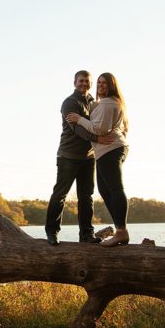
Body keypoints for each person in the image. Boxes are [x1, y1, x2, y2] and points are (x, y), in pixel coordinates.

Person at [44, 70, 108, 245]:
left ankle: (86, 235)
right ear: (74, 82)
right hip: (68, 156)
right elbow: (78, 129)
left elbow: (98, 125)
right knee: (60, 194)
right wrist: (96, 138)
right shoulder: (69, 103)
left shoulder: (93, 103)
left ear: (91, 83)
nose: (84, 84)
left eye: (87, 81)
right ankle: (52, 232)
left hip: (88, 158)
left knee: (86, 196)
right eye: (81, 81)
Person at [66, 72, 129, 247]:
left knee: (115, 189)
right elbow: (96, 113)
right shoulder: (104, 103)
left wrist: (79, 119)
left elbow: (98, 129)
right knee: (105, 190)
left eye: (104, 83)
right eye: (99, 83)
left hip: (110, 149)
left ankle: (121, 231)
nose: (100, 85)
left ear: (111, 86)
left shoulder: (108, 104)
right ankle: (120, 231)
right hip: (106, 151)